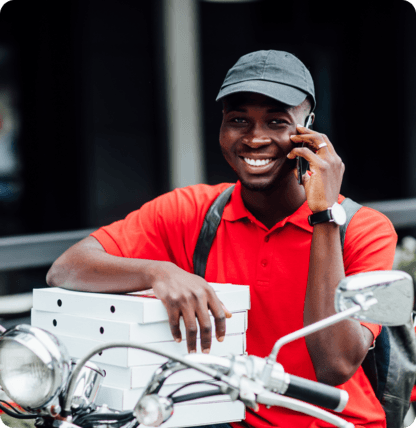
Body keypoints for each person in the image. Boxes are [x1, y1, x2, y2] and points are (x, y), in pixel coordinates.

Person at [47, 50, 397, 428]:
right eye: (239, 120)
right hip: (220, 419)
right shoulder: (190, 210)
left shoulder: (364, 229)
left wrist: (325, 214)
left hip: (335, 422)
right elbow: (65, 270)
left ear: (310, 130)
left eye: (277, 122)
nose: (255, 138)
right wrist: (158, 272)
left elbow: (334, 365)